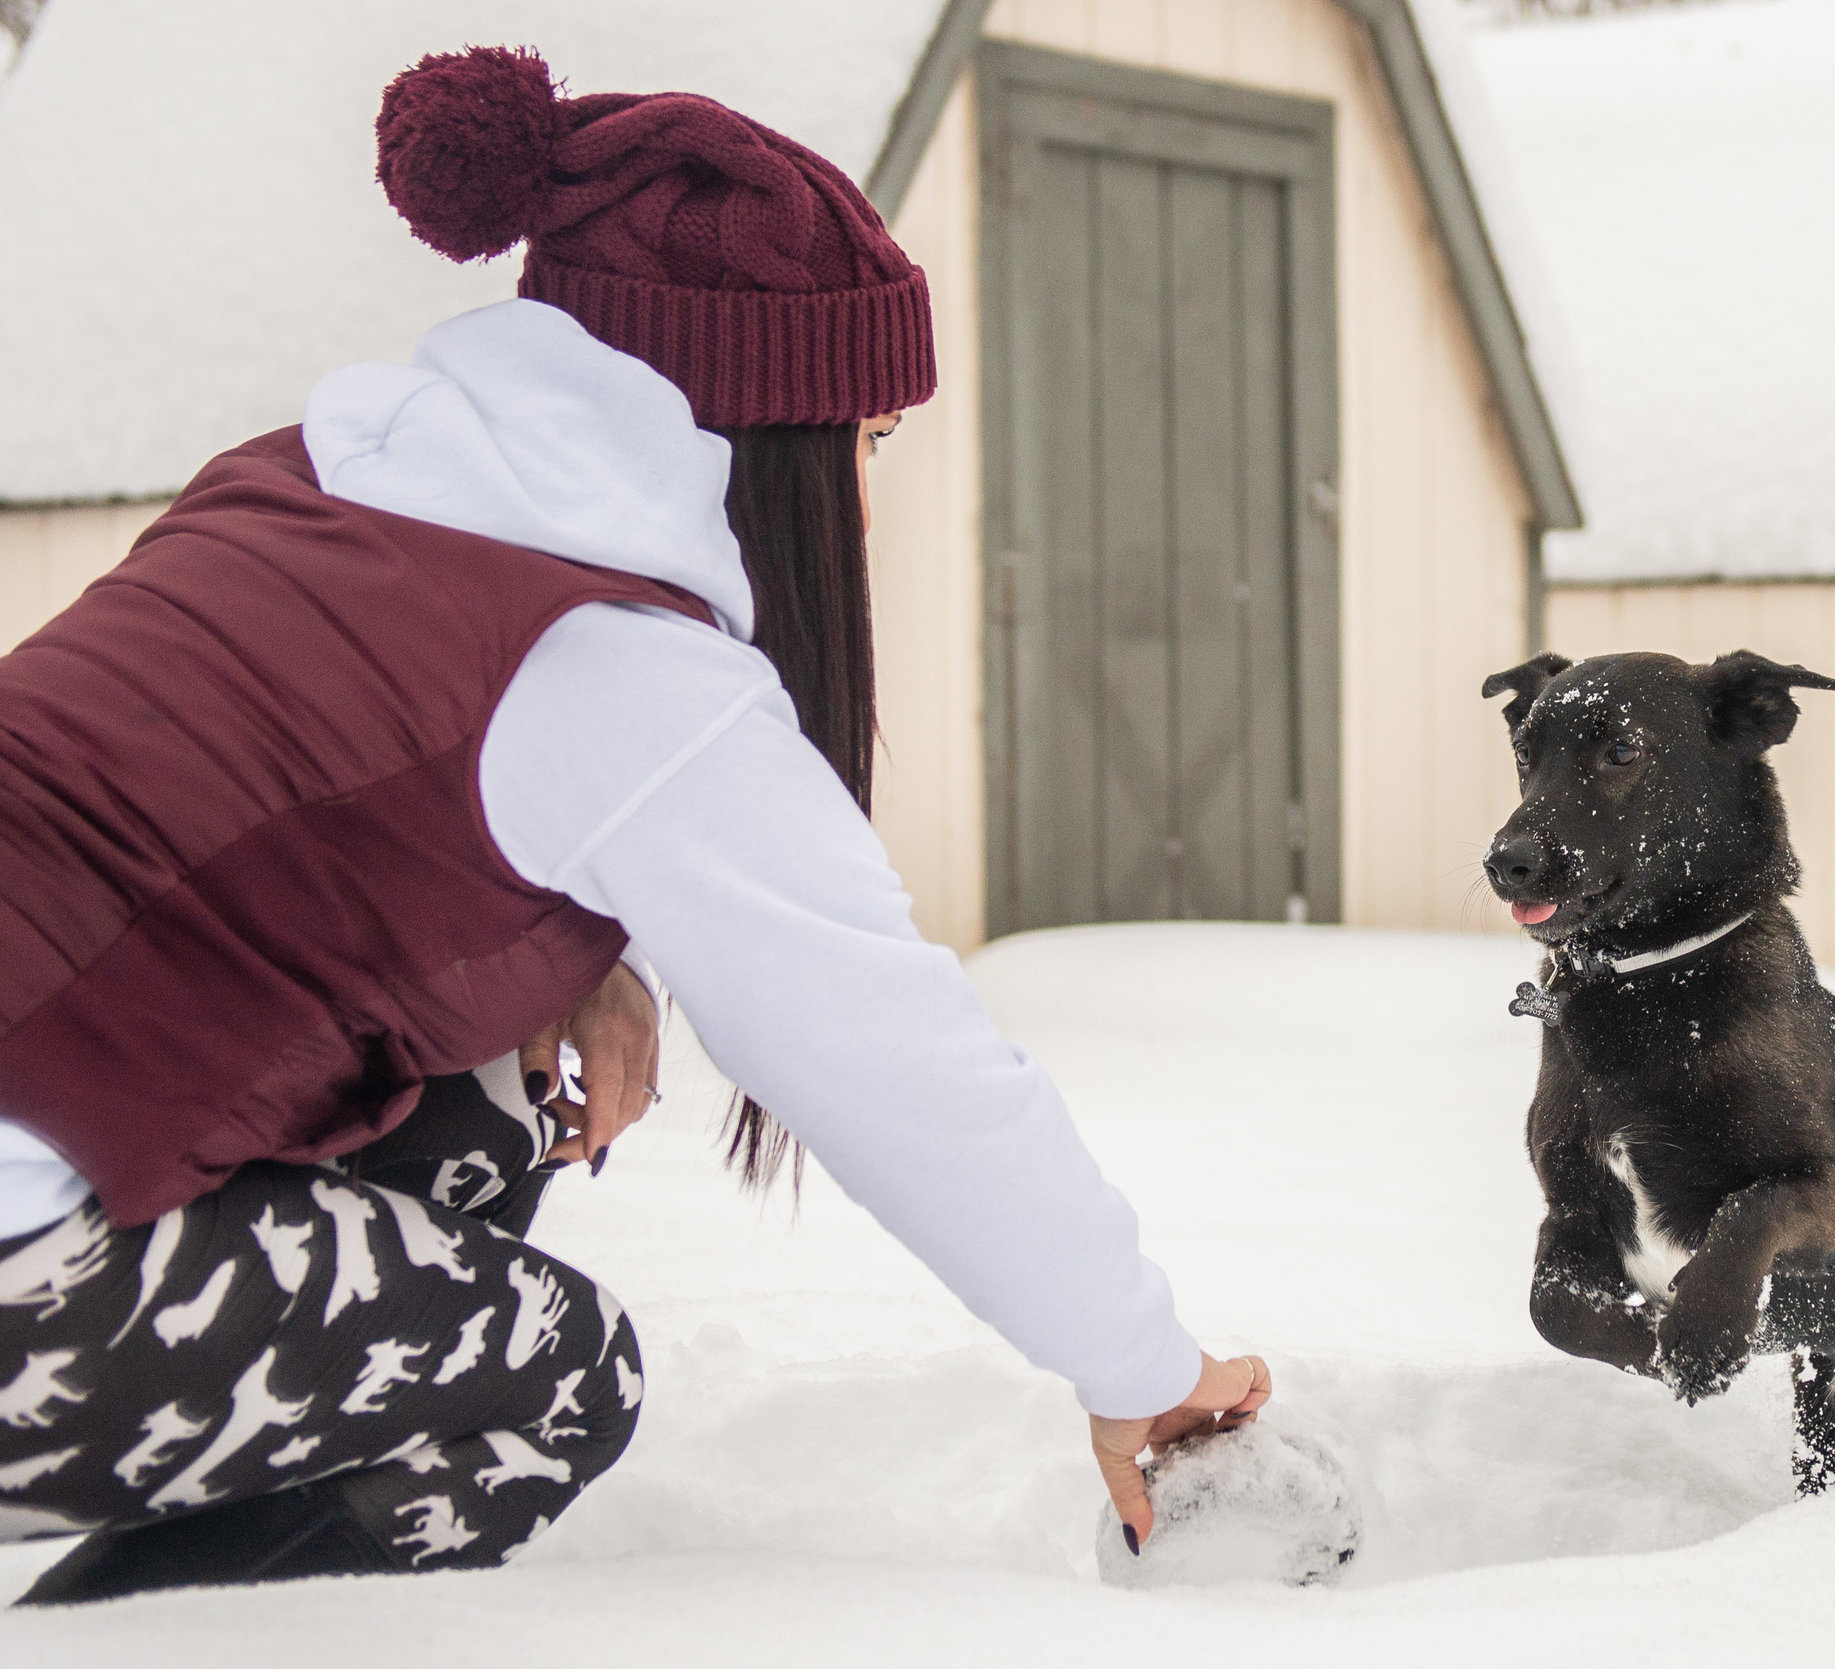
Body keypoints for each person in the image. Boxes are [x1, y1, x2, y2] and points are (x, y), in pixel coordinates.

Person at [0, 46, 1266, 1604]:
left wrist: (576, 960)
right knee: (548, 1385)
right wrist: (1142, 1363)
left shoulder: (322, 476)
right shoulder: (614, 660)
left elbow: (265, 837)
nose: (863, 510)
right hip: (19, 1260)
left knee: (470, 1123)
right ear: (758, 428)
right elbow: (899, 1062)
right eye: (863, 447)